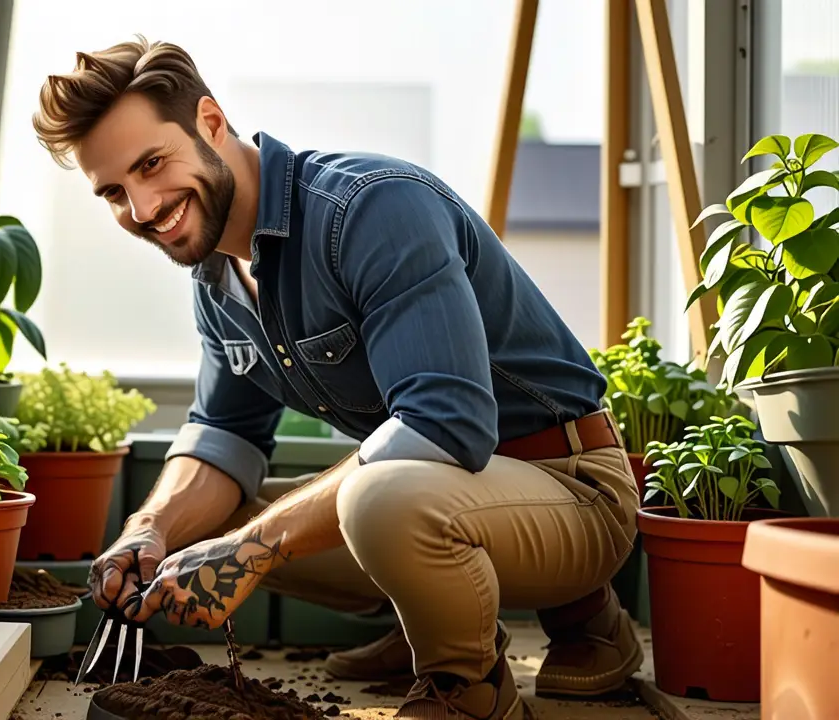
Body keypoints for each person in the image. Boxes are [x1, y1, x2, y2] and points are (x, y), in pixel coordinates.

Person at [31, 36, 642, 720]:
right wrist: (149, 529)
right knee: (201, 520)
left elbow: (446, 424)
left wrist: (250, 550)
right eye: (114, 191)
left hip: (573, 491)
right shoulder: (213, 276)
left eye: (151, 164)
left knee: (375, 501)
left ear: (209, 122)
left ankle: (483, 677)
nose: (142, 209)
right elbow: (222, 431)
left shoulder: (370, 209)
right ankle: (433, 619)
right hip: (447, 505)